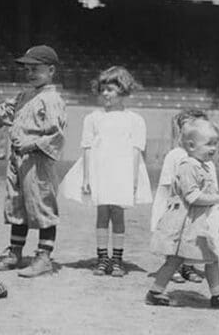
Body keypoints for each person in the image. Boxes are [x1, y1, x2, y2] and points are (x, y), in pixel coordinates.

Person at [58, 66, 152, 277]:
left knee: (117, 214)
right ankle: (102, 259)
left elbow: (137, 150)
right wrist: (86, 177)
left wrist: (134, 179)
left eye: (110, 89)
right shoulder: (93, 118)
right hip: (100, 170)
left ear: (123, 90)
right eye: (103, 90)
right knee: (102, 213)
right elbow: (87, 148)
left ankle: (117, 260)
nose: (106, 94)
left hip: (122, 172)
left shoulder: (135, 119)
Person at [0, 45, 67, 278]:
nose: (30, 73)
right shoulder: (25, 95)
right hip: (18, 158)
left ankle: (43, 257)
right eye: (27, 69)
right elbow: (4, 115)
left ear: (51, 70)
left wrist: (31, 144)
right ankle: (15, 253)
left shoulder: (51, 99)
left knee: (42, 205)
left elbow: (56, 135)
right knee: (17, 204)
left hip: (38, 160)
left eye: (36, 69)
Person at [147, 119, 219, 307]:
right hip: (185, 225)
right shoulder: (188, 166)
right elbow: (192, 196)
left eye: (215, 144)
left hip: (198, 224)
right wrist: (216, 199)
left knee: (212, 257)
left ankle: (218, 295)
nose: (214, 148)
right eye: (209, 144)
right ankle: (155, 291)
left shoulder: (202, 166)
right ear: (191, 145)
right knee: (175, 259)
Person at [150, 109, 210, 284]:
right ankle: (172, 267)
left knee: (192, 236)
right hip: (177, 202)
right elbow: (167, 184)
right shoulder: (175, 155)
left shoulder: (205, 154)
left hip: (197, 202)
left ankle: (188, 267)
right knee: (174, 236)